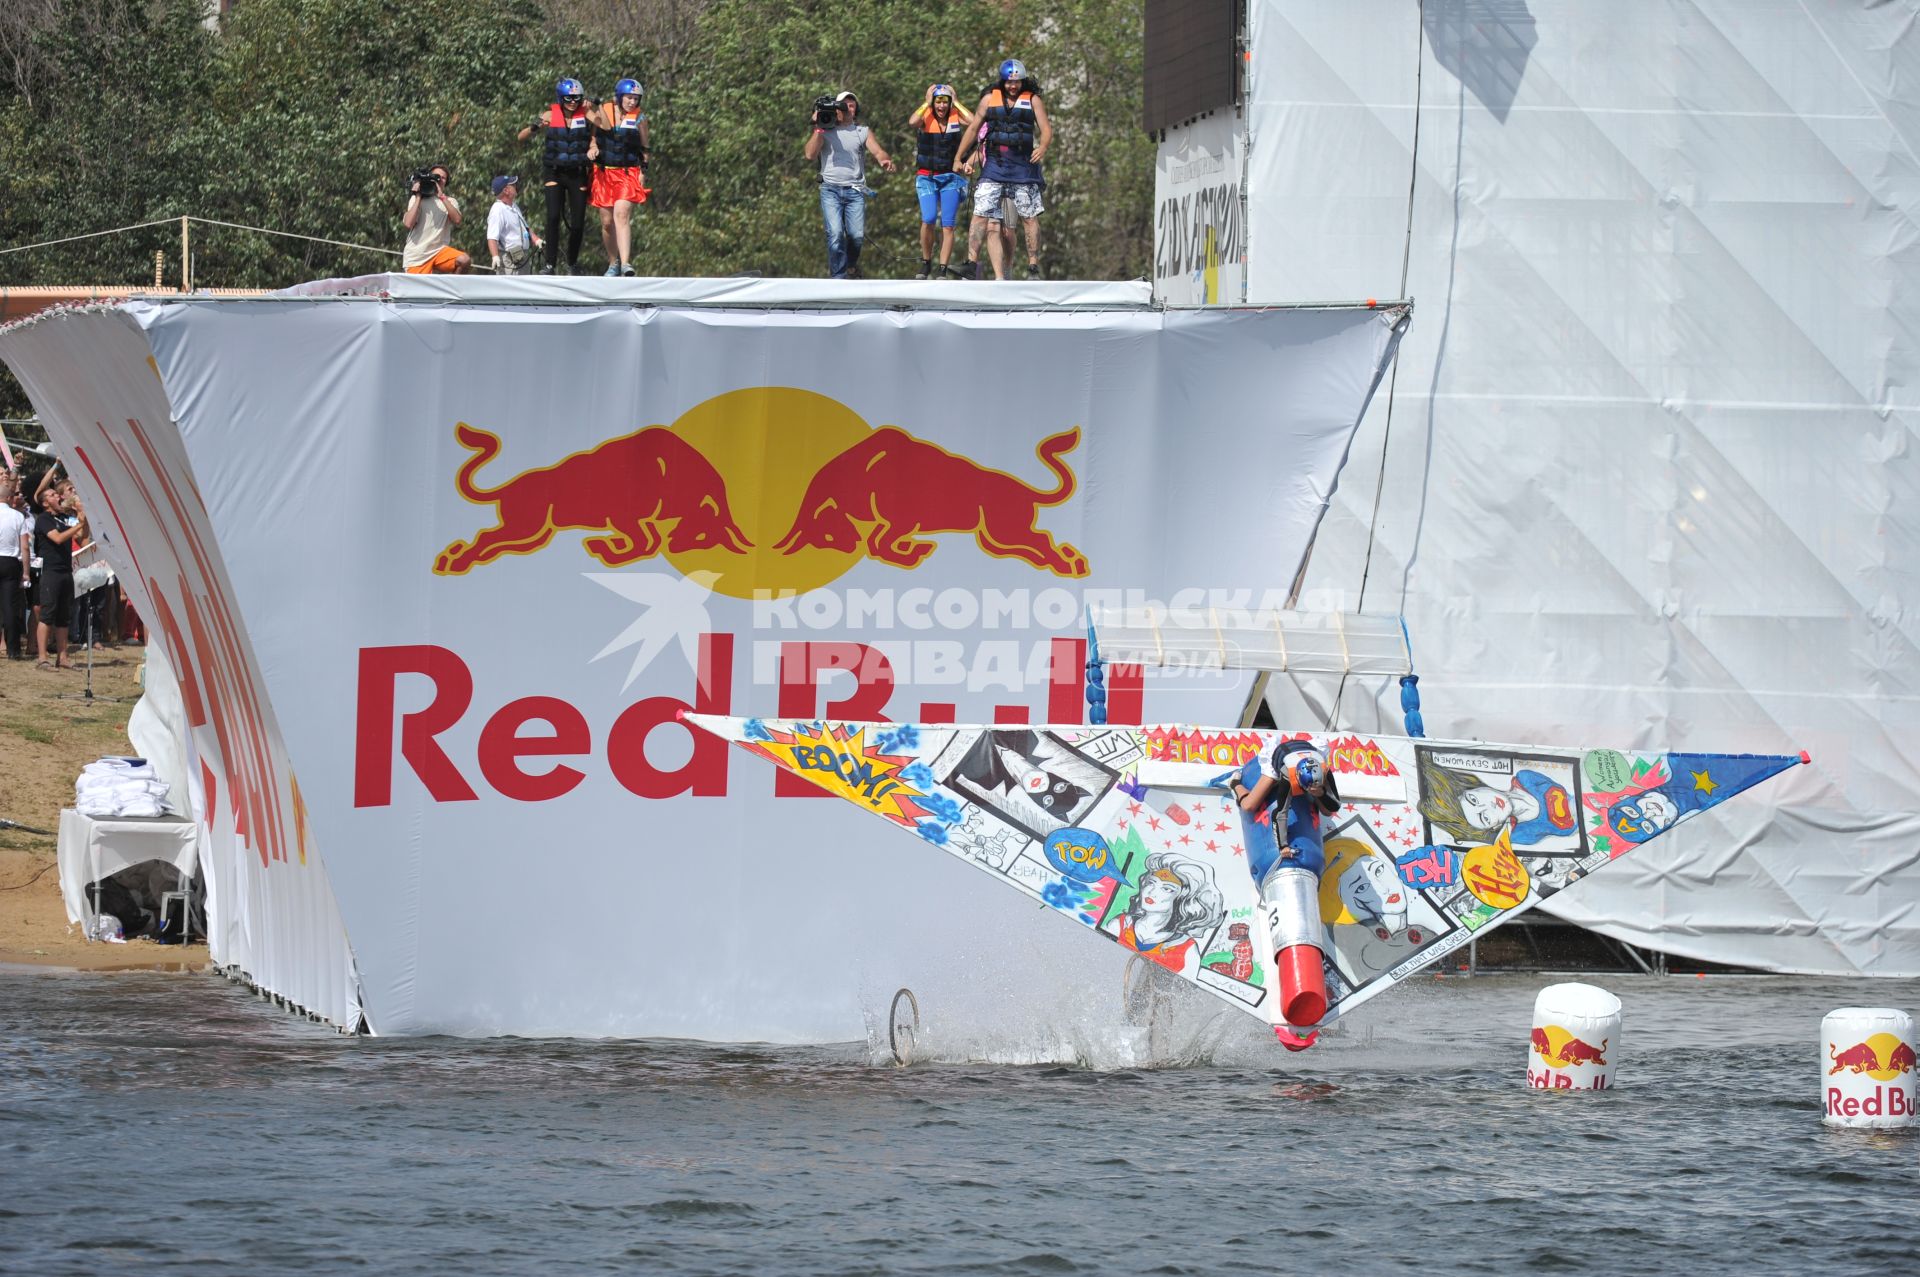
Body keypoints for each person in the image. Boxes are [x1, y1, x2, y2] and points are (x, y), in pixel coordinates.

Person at [953, 58, 1052, 280]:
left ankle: (1033, 266)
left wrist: (1043, 146)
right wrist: (959, 157)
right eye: (1009, 82)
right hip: (995, 165)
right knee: (980, 213)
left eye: (1017, 82)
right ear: (1002, 81)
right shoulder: (989, 100)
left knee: (1029, 215)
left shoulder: (1033, 100)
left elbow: (1046, 129)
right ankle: (971, 263)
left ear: (1022, 82)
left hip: (1023, 166)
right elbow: (972, 130)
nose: (1013, 86)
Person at [804, 90, 895, 279]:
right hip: (830, 188)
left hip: (855, 190)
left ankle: (851, 266)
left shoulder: (862, 132)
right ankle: (838, 276)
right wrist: (819, 125)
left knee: (856, 236)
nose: (847, 108)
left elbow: (878, 152)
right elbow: (809, 154)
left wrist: (884, 160)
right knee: (835, 233)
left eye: (851, 105)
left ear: (856, 110)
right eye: (843, 105)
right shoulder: (826, 130)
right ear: (836, 109)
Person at [518, 78, 596, 275]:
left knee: (577, 223)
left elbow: (604, 127)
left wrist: (595, 106)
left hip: (577, 172)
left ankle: (572, 262)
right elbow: (521, 136)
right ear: (561, 98)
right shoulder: (549, 114)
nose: (573, 102)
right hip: (554, 171)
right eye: (569, 98)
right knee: (553, 217)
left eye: (576, 98)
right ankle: (550, 264)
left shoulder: (586, 114)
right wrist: (536, 126)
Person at [908, 84, 972, 279]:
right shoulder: (925, 116)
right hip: (927, 177)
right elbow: (912, 122)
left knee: (948, 224)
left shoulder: (955, 115)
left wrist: (957, 100)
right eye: (938, 102)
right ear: (933, 103)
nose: (942, 106)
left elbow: (973, 121)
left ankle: (942, 268)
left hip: (950, 178)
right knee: (928, 219)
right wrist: (926, 102)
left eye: (945, 102)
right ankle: (926, 262)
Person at [591, 78, 651, 278]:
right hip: (604, 173)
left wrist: (643, 171)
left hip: (627, 173)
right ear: (619, 97)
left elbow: (645, 148)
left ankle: (626, 263)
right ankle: (613, 262)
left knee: (621, 214)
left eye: (636, 98)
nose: (632, 102)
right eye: (629, 98)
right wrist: (593, 148)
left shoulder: (640, 118)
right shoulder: (604, 111)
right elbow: (593, 136)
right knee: (607, 222)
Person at [33, 483, 84, 670]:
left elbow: (82, 538)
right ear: (46, 503)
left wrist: (81, 517)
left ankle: (62, 658)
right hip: (51, 572)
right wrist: (79, 524)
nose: (59, 497)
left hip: (66, 571)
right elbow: (57, 538)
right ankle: (42, 657)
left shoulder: (65, 518)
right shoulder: (43, 519)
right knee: (47, 614)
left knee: (64, 616)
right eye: (54, 495)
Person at [401, 161, 469, 274]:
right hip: (418, 255)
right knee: (420, 291)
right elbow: (408, 223)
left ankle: (452, 288)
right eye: (436, 177)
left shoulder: (450, 201)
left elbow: (457, 220)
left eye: (443, 178)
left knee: (464, 260)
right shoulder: (417, 199)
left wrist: (442, 197)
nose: (440, 180)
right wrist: (418, 196)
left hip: (439, 251)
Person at [485, 176, 541, 275]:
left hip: (521, 255)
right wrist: (495, 256)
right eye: (513, 185)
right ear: (506, 190)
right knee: (511, 288)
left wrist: (536, 240)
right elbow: (492, 237)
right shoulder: (497, 209)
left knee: (524, 286)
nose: (516, 186)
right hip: (509, 259)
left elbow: (525, 228)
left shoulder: (514, 206)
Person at [0, 473, 28, 659]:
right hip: (10, 561)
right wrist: (26, 572)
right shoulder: (18, 516)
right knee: (10, 607)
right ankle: (13, 649)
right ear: (9, 498)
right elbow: (24, 546)